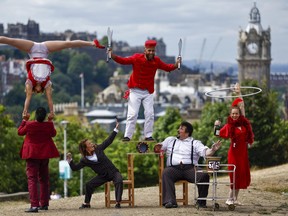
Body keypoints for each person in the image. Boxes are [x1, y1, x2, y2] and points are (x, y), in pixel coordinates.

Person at [0, 36, 105, 119]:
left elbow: (28, 97)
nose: (37, 90)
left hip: (32, 49)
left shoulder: (30, 83)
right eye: (39, 90)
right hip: (45, 50)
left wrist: (25, 111)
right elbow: (50, 99)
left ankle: (92, 43)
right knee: (67, 44)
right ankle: (92, 43)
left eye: (36, 91)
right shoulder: (46, 83)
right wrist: (52, 112)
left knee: (11, 41)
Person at [109, 39, 181, 142]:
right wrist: (112, 55)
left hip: (148, 92)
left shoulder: (156, 61)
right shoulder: (136, 58)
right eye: (149, 50)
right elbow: (123, 61)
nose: (151, 53)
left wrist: (175, 64)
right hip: (135, 91)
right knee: (132, 114)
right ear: (145, 50)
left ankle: (148, 136)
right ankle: (127, 136)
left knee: (150, 114)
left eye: (153, 51)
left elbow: (167, 68)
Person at [156, 121, 222, 208]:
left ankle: (201, 202)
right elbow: (159, 147)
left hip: (190, 169)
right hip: (174, 168)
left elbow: (206, 152)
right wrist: (157, 147)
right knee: (166, 173)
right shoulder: (170, 140)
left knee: (204, 176)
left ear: (187, 133)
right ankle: (170, 201)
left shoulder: (195, 143)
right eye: (179, 128)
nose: (178, 130)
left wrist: (213, 149)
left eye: (181, 129)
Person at [66, 120, 123, 209]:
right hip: (103, 176)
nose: (92, 144)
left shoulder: (98, 148)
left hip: (113, 172)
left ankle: (118, 202)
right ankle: (86, 203)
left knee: (119, 181)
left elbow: (108, 141)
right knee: (89, 185)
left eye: (91, 143)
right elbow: (75, 168)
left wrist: (115, 130)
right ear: (86, 148)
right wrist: (70, 161)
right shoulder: (85, 160)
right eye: (89, 144)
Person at [214, 85, 254, 206]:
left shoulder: (243, 123)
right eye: (233, 114)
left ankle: (235, 199)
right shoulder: (229, 126)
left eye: (236, 113)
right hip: (234, 153)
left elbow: (242, 105)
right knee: (234, 175)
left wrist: (239, 93)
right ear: (230, 114)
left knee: (241, 174)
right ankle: (229, 198)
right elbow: (217, 134)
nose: (235, 115)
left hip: (243, 153)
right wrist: (216, 126)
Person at [18, 107, 59, 213]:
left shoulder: (30, 124)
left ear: (35, 115)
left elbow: (20, 132)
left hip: (32, 155)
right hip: (45, 155)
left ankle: (34, 205)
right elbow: (53, 134)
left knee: (32, 179)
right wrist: (50, 121)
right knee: (44, 179)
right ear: (45, 116)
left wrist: (24, 120)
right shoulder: (48, 125)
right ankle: (44, 204)